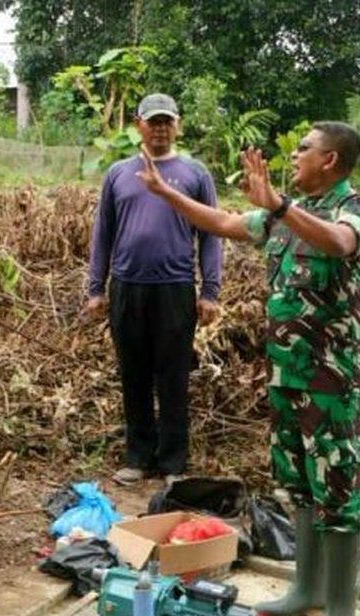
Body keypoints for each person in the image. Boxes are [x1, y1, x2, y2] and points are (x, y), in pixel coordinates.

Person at [137, 122, 360, 616]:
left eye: (304, 149)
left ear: (332, 160)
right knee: (298, 484)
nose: (293, 156)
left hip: (331, 381)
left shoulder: (357, 207)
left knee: (338, 491)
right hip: (287, 376)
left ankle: (341, 611)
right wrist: (166, 193)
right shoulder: (286, 214)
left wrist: (279, 208)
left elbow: (340, 243)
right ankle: (306, 588)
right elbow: (226, 222)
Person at [85, 93, 220, 486]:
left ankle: (174, 461)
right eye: (153, 121)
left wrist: (210, 290)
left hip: (175, 288)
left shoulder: (195, 174)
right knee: (134, 373)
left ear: (177, 124)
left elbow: (211, 234)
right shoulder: (118, 174)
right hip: (127, 286)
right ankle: (138, 455)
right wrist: (96, 287)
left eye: (167, 121)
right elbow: (103, 233)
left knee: (174, 374)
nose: (160, 128)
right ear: (138, 125)